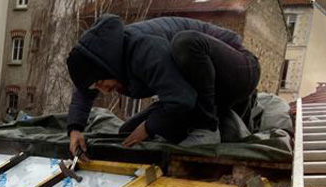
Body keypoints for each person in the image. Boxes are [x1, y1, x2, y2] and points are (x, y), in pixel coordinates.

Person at [65, 14, 260, 152]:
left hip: (238, 72)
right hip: (199, 91)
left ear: (108, 67)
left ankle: (206, 127)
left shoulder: (144, 49)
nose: (104, 91)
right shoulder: (104, 60)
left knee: (186, 43)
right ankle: (216, 121)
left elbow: (182, 99)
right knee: (127, 133)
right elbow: (84, 89)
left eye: (101, 83)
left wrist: (149, 126)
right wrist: (75, 129)